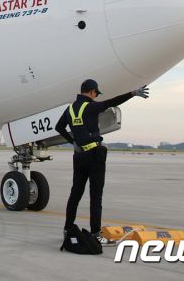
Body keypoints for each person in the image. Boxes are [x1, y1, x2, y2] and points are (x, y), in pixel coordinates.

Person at [56, 79, 149, 245]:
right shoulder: (91, 107)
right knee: (95, 197)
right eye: (95, 94)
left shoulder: (69, 109)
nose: (96, 97)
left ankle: (68, 230)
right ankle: (95, 234)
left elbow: (59, 127)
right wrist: (133, 93)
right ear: (92, 91)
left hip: (79, 156)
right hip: (94, 155)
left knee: (75, 194)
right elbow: (112, 102)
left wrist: (73, 142)